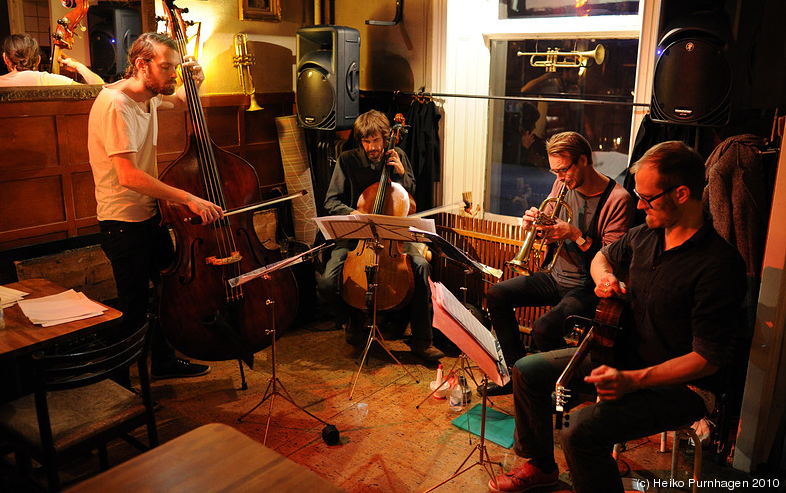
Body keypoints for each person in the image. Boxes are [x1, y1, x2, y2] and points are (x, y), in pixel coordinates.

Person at [488, 141, 748, 493]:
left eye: (647, 198)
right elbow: (601, 257)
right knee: (528, 371)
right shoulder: (645, 236)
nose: (639, 206)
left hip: (682, 386)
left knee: (579, 429)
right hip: (623, 356)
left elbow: (707, 360)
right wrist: (605, 278)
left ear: (682, 193)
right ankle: (542, 466)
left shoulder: (719, 265)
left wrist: (634, 379)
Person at [88, 32, 223, 380]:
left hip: (149, 216)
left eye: (175, 68)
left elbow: (178, 101)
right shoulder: (117, 105)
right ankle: (118, 384)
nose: (172, 74)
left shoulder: (147, 96)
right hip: (123, 222)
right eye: (167, 67)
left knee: (167, 295)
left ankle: (162, 361)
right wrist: (188, 197)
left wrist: (196, 84)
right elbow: (128, 176)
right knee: (133, 308)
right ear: (141, 64)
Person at [483, 132, 633, 395]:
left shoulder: (617, 199)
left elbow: (614, 258)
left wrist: (575, 234)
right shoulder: (562, 185)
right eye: (554, 172)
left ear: (583, 160)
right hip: (555, 275)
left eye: (563, 170)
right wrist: (535, 225)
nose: (559, 179)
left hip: (588, 286)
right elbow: (550, 225)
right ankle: (517, 375)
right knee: (496, 294)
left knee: (543, 330)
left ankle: (566, 387)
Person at [317, 109, 444, 362]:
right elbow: (331, 201)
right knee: (327, 283)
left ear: (386, 138)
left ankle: (422, 341)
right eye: (366, 141)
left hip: (392, 240)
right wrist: (355, 213)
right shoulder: (347, 160)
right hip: (356, 240)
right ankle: (353, 320)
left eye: (376, 140)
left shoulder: (399, 157)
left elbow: (410, 198)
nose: (371, 147)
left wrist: (400, 174)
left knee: (420, 267)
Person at [0, 33, 104, 87]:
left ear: (6, 59)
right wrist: (78, 66)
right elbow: (100, 89)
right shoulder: (46, 80)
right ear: (38, 60)